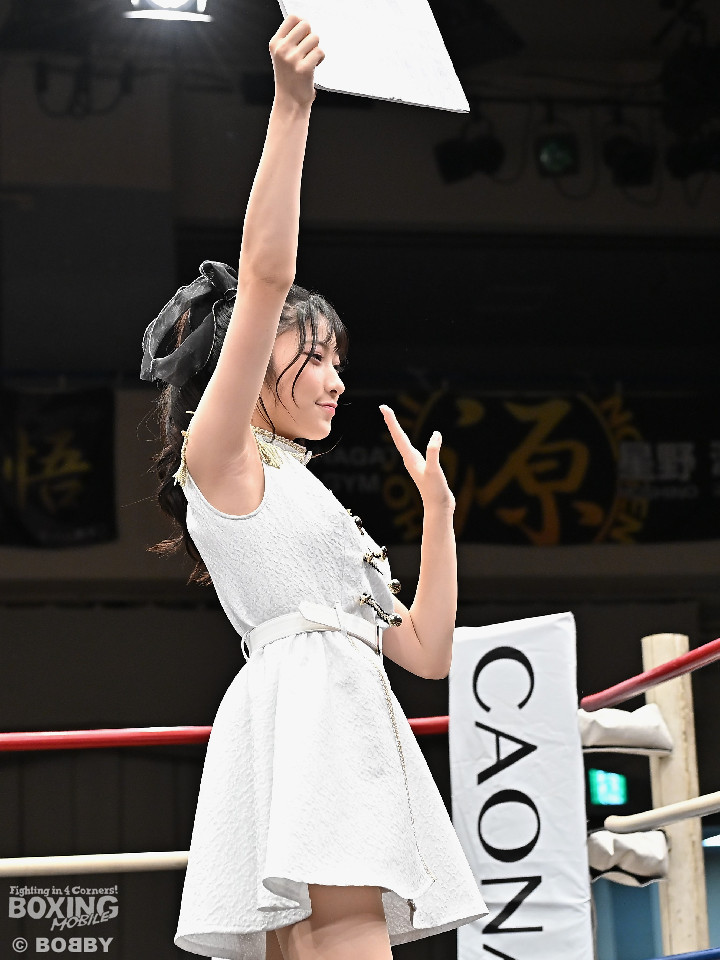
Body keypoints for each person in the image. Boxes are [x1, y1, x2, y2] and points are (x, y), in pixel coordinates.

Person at [141, 13, 487, 960]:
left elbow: (426, 652)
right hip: (308, 711)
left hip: (338, 706)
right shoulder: (223, 457)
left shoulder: (311, 497)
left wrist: (440, 519)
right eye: (315, 355)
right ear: (250, 365)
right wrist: (291, 107)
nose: (336, 379)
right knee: (348, 938)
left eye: (340, 361)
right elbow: (265, 274)